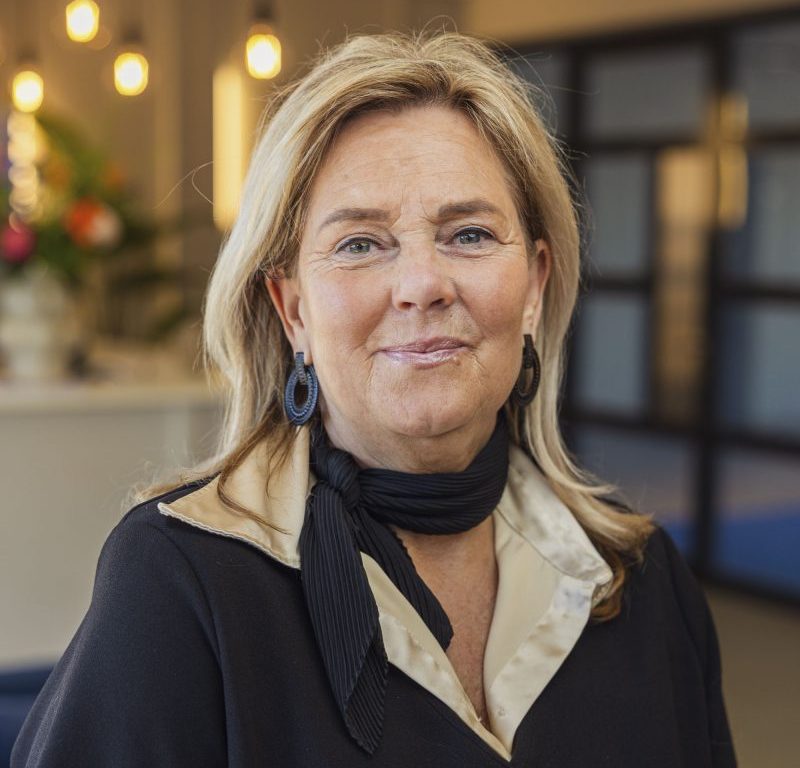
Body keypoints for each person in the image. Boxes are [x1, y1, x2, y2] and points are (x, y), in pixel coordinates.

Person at [12, 30, 736, 767]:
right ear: (293, 309)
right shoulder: (179, 581)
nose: (422, 284)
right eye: (360, 243)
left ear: (534, 286)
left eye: (469, 234)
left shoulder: (640, 577)